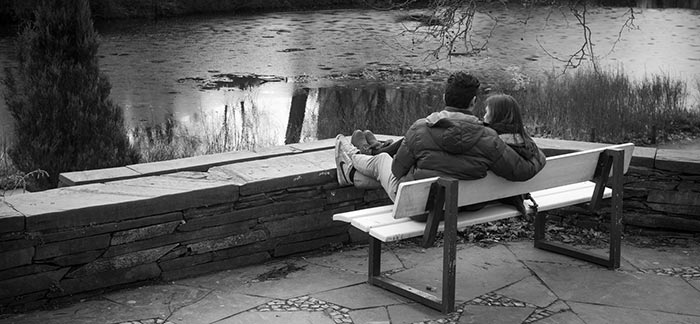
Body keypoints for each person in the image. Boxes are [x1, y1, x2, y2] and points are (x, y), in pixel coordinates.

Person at [335, 71, 546, 210]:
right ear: (473, 102)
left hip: (420, 208)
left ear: (444, 98)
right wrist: (536, 152)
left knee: (382, 160)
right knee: (384, 164)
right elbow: (522, 170)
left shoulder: (420, 128)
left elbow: (397, 172)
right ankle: (352, 170)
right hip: (467, 206)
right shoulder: (489, 138)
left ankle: (351, 156)